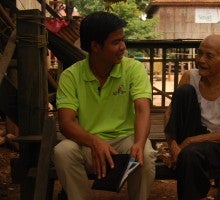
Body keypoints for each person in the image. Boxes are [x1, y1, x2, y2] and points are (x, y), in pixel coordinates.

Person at [53, 11, 156, 200]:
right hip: (87, 145)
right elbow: (66, 123)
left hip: (124, 141)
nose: (123, 47)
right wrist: (94, 141)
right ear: (95, 46)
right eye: (115, 42)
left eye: (123, 40)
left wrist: (139, 143)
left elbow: (143, 110)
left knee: (146, 154)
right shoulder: (71, 76)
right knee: (63, 151)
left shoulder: (134, 69)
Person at [164, 34, 220, 200]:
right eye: (199, 53)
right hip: (192, 133)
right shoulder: (190, 76)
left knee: (189, 155)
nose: (200, 60)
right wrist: (172, 144)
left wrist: (188, 142)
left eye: (209, 56)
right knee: (184, 92)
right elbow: (170, 113)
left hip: (219, 142)